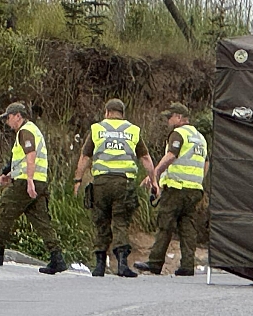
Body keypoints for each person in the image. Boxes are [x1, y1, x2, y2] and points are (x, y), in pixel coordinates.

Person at [0, 102, 68, 275]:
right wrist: (10, 174)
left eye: (9, 117)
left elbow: (30, 155)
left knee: (5, 209)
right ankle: (57, 258)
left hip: (26, 182)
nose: (8, 122)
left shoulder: (25, 132)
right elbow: (23, 161)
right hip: (38, 181)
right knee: (41, 221)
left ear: (18, 116)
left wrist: (29, 180)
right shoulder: (32, 130)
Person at [73, 98, 158, 278]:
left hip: (101, 183)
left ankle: (99, 266)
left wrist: (77, 180)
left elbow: (85, 157)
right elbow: (145, 159)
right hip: (123, 183)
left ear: (107, 112)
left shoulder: (97, 129)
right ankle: (121, 265)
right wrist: (154, 181)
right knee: (120, 222)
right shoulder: (132, 131)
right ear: (122, 114)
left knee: (101, 222)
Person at [134, 102, 208, 276]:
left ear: (180, 118)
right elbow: (206, 162)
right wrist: (199, 179)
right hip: (195, 189)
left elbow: (171, 156)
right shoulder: (200, 137)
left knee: (165, 224)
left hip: (177, 187)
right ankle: (187, 265)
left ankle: (155, 263)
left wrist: (155, 174)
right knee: (188, 227)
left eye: (171, 117)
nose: (168, 120)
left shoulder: (178, 134)